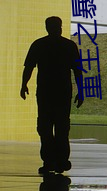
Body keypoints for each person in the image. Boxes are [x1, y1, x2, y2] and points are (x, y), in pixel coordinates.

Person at [20, 16, 83, 174]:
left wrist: (24, 85)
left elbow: (29, 67)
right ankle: (61, 161)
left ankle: (49, 161)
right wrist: (81, 91)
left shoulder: (39, 45)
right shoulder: (69, 46)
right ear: (60, 27)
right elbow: (77, 71)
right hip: (62, 92)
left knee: (45, 128)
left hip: (45, 92)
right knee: (62, 128)